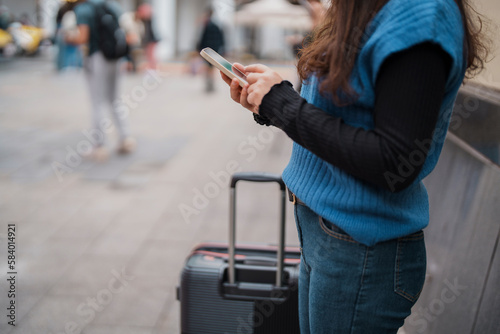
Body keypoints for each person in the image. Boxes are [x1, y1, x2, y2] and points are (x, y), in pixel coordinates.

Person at [221, 0, 488, 332]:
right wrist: (269, 102)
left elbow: (395, 161)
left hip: (359, 250)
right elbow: (345, 114)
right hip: (327, 235)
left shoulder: (422, 13)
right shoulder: (367, 7)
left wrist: (282, 103)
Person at [66, 0, 135, 160]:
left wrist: (68, 38)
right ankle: (126, 138)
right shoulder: (112, 6)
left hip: (97, 57)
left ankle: (99, 146)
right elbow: (129, 32)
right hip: (115, 56)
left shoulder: (83, 9)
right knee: (115, 99)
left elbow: (83, 37)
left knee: (97, 102)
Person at [197, 7, 225, 93]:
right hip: (213, 50)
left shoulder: (207, 25)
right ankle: (210, 84)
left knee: (208, 67)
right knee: (210, 68)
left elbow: (203, 38)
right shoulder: (216, 25)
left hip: (208, 50)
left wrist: (198, 48)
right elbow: (221, 39)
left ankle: (209, 84)